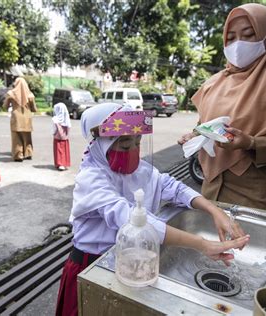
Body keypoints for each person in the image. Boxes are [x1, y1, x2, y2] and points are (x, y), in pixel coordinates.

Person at [55, 103, 249, 316]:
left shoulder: (141, 170)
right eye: (125, 145)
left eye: (138, 143)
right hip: (91, 266)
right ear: (102, 143)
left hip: (125, 260)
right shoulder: (91, 178)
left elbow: (173, 188)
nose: (133, 152)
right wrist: (202, 244)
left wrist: (215, 211)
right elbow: (134, 220)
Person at [178, 4, 266, 212]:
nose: (238, 44)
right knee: (213, 240)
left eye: (248, 35)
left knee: (253, 244)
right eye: (230, 38)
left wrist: (252, 143)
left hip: (256, 193)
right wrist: (195, 135)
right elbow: (206, 124)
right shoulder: (216, 82)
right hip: (211, 186)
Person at [3, 77, 37, 162]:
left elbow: (5, 106)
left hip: (16, 118)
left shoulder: (11, 94)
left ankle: (19, 155)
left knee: (16, 137)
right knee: (27, 137)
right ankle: (28, 153)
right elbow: (34, 109)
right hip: (27, 118)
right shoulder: (30, 95)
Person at [52, 102, 71, 171]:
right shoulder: (67, 119)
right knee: (64, 150)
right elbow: (69, 127)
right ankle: (64, 163)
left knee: (58, 150)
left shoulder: (55, 119)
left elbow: (54, 129)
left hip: (57, 137)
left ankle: (59, 163)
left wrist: (53, 133)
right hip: (65, 137)